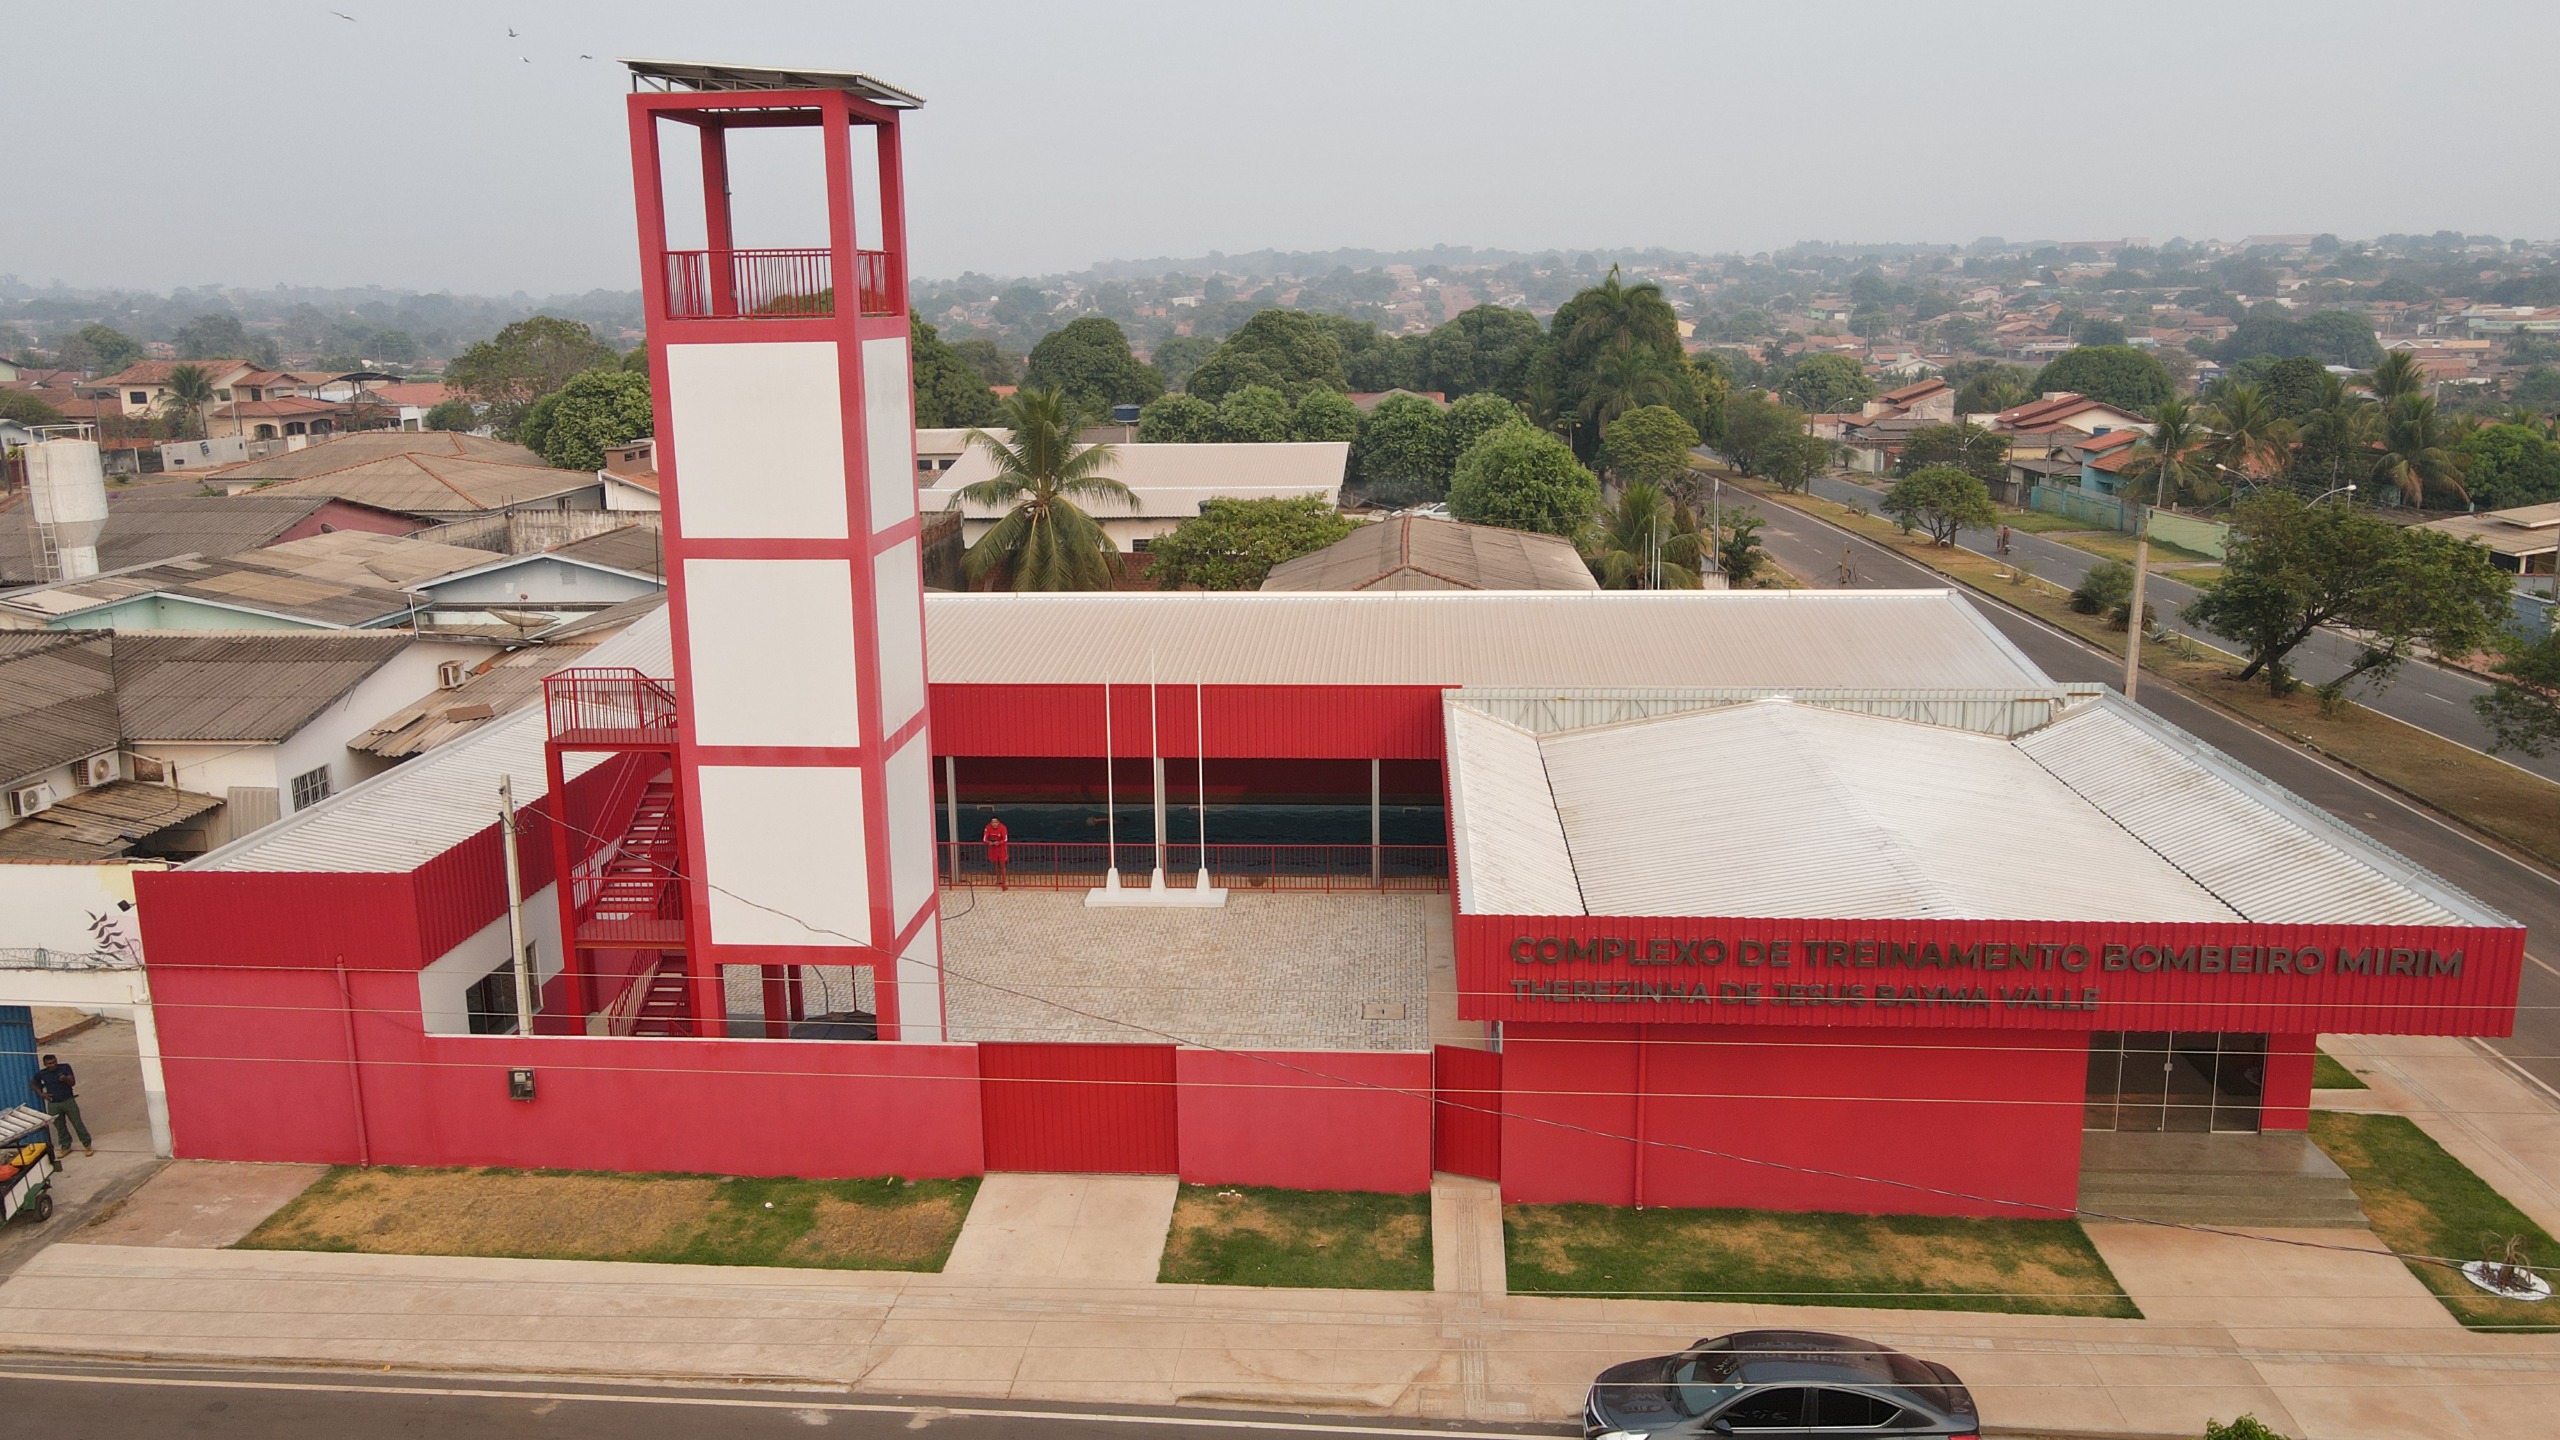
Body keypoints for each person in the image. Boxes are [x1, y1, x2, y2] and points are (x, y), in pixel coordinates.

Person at [30, 1053, 90, 1158]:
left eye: (54, 1062)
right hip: (54, 1104)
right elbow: (33, 1083)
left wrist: (65, 1079)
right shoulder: (42, 1074)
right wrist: (41, 1094)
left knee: (78, 1124)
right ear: (45, 1064)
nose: (53, 1065)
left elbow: (72, 1082)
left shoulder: (65, 1067)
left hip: (68, 1101)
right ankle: (65, 1146)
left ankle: (87, 1145)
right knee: (60, 1127)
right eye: (49, 1063)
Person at [980, 815, 1010, 890]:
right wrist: (988, 842)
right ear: (990, 823)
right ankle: (998, 880)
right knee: (995, 863)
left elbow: (1005, 839)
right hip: (993, 848)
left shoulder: (1003, 827)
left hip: (1001, 848)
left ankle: (1004, 882)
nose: (994, 824)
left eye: (996, 822)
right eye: (993, 822)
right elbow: (984, 838)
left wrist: (999, 842)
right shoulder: (987, 828)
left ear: (998, 822)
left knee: (1002, 864)